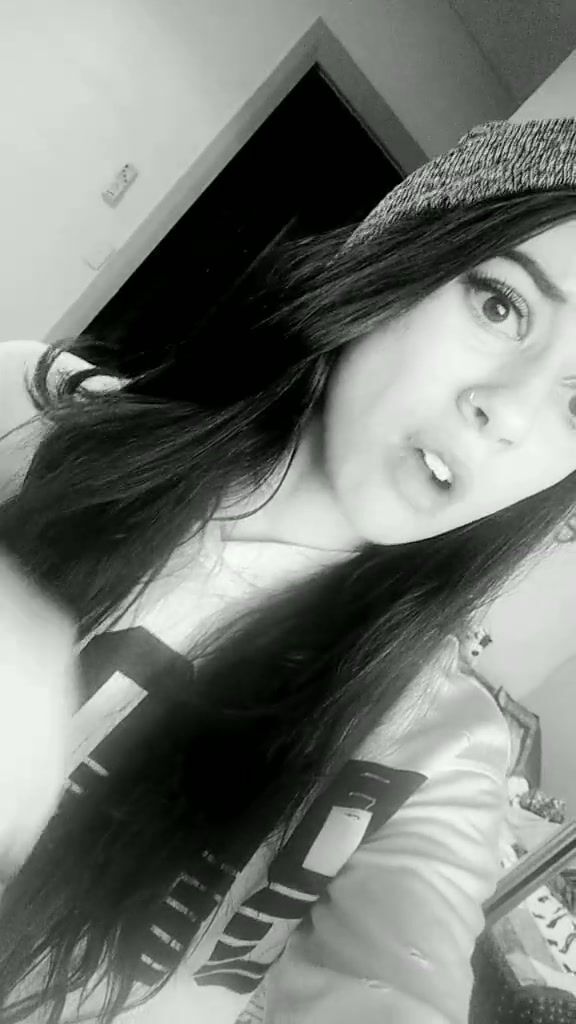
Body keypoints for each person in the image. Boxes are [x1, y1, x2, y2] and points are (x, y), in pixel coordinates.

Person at [0, 116, 575, 1024]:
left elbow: (396, 985)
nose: (506, 414)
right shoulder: (30, 413)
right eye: (501, 306)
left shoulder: (440, 748)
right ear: (398, 258)